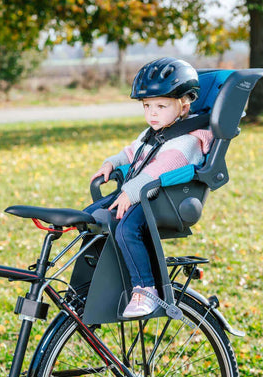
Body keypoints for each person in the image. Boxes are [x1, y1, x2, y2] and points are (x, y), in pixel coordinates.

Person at [85, 57, 212, 318]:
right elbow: (132, 152)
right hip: (139, 194)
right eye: (147, 106)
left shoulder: (187, 140)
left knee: (127, 229)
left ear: (184, 104)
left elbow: (159, 170)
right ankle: (98, 279)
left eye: (161, 106)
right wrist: (112, 163)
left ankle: (146, 290)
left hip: (163, 199)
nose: (152, 113)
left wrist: (129, 193)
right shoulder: (154, 131)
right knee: (89, 218)